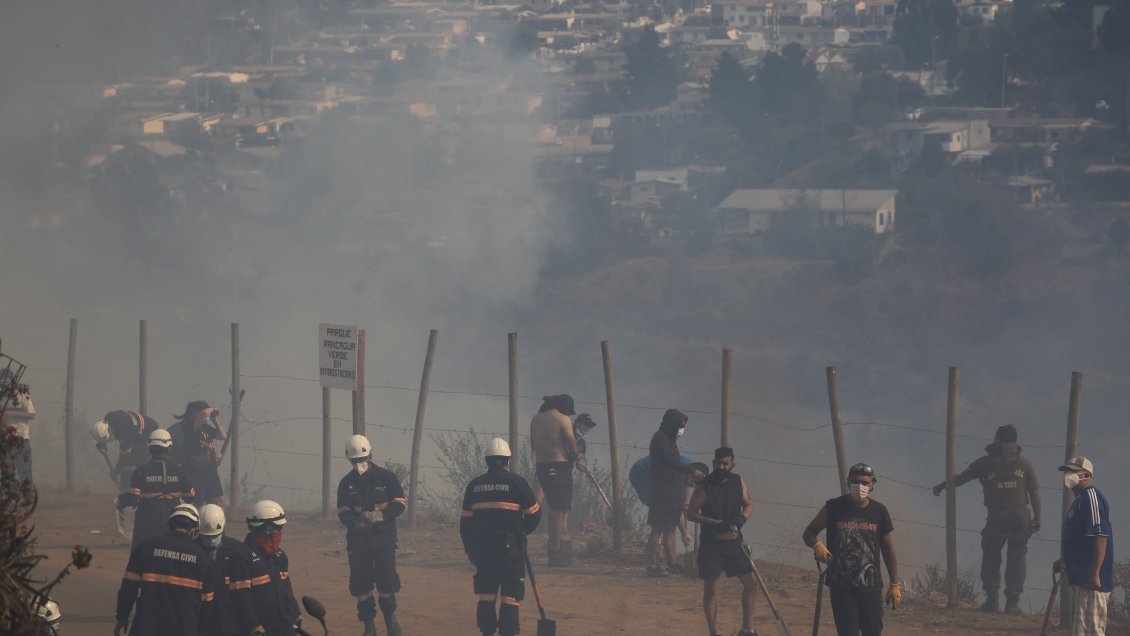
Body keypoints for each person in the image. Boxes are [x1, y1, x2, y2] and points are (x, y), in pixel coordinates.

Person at [931, 424, 1040, 614]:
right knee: (1017, 558)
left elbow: (962, 478)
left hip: (996, 516)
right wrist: (1038, 518)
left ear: (997, 440)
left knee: (991, 555)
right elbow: (1035, 492)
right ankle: (1012, 603)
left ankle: (991, 601)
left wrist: (942, 486)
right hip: (1020, 517)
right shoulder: (1025, 464)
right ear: (1015, 441)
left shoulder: (985, 463)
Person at [802, 463, 901, 636]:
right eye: (856, 481)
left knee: (873, 632)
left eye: (865, 482)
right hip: (842, 587)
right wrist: (817, 546)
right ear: (848, 481)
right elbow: (809, 533)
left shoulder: (879, 512)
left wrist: (895, 584)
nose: (860, 486)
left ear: (872, 485)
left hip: (871, 587)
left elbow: (888, 549)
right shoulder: (833, 507)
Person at [460, 438, 542, 636]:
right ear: (508, 460)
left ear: (487, 460)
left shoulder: (475, 485)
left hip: (483, 551)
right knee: (510, 597)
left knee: (486, 596)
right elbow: (535, 514)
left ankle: (487, 633)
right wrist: (521, 533)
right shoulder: (517, 483)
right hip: (511, 550)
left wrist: (470, 549)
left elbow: (465, 524)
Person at [337, 434, 407, 636]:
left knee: (386, 580)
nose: (359, 463)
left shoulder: (386, 478)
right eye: (355, 460)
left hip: (384, 539)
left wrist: (379, 516)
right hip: (358, 541)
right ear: (349, 460)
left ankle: (390, 619)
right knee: (360, 584)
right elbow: (343, 511)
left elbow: (400, 504)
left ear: (370, 455)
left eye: (361, 459)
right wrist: (355, 522)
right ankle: (368, 625)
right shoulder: (346, 483)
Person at [686, 447, 757, 636]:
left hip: (734, 543)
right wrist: (713, 522)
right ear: (713, 462)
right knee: (711, 591)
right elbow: (691, 514)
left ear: (732, 465)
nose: (721, 466)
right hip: (712, 545)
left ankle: (747, 630)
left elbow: (749, 504)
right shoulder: (704, 486)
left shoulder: (738, 482)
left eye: (725, 463)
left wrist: (741, 520)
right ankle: (713, 632)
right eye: (718, 462)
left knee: (751, 584)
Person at [115, 503, 215, 636]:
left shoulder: (145, 548)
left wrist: (122, 617)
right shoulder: (203, 559)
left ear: (170, 524)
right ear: (195, 528)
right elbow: (207, 604)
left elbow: (128, 589)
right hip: (184, 629)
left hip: (146, 627)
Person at [1055, 456, 1114, 636]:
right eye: (1067, 471)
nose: (1068, 475)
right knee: (1079, 630)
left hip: (1092, 580)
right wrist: (1066, 560)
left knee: (1093, 629)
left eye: (1073, 471)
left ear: (1086, 474)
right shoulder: (1078, 502)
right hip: (1079, 577)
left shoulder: (1092, 497)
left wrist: (1095, 573)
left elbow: (1100, 535)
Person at [646, 408, 705, 577]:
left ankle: (672, 563)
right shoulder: (660, 439)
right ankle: (651, 566)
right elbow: (669, 460)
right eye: (680, 426)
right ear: (672, 424)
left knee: (670, 528)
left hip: (672, 492)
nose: (681, 430)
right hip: (662, 491)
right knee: (657, 528)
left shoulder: (671, 441)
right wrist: (690, 469)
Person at [116, 428, 196, 550]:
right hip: (172, 525)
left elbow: (132, 499)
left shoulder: (141, 471)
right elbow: (190, 498)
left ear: (150, 449)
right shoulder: (179, 471)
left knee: (140, 558)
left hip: (146, 525)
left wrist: (120, 501)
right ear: (169, 448)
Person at [233, 499, 301, 635]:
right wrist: (253, 624)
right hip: (261, 630)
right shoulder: (242, 556)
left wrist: (295, 613)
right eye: (277, 528)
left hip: (284, 625)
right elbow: (241, 597)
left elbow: (287, 590)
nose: (279, 532)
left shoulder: (279, 555)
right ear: (267, 529)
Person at [529, 393, 578, 566]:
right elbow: (572, 446)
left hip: (542, 467)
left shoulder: (535, 418)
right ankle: (555, 553)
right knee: (558, 511)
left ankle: (553, 548)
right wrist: (577, 458)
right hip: (559, 466)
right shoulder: (563, 419)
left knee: (551, 509)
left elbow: (534, 445)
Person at [196, 503, 258, 636]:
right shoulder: (191, 551)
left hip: (231, 622)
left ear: (223, 528)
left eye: (215, 536)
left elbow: (245, 594)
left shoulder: (237, 551)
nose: (212, 540)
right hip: (201, 621)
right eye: (207, 537)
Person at [168, 401, 228, 508]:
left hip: (211, 472)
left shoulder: (205, 427)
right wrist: (211, 410)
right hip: (197, 473)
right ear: (195, 413)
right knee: (197, 503)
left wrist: (215, 420)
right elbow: (203, 414)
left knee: (218, 501)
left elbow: (223, 436)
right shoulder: (190, 427)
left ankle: (216, 523)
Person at [96, 410, 160, 490]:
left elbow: (124, 457)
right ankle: (127, 487)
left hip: (149, 431)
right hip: (137, 431)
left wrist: (116, 471)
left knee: (137, 459)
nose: (110, 440)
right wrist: (102, 442)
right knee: (130, 459)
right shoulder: (109, 417)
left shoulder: (125, 432)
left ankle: (135, 490)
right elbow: (104, 433)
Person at [0, 370, 35, 485]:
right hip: (5, 442)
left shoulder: (22, 394)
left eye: (7, 380)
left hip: (21, 439)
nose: (5, 383)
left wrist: (13, 414)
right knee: (7, 475)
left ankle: (27, 499)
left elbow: (32, 414)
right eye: (2, 381)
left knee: (25, 474)